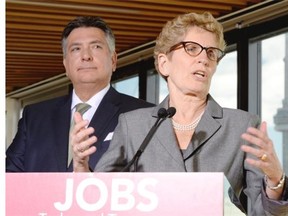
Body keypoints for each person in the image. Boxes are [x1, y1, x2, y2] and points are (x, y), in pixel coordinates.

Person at [70, 12, 288, 215]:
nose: (204, 58)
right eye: (192, 48)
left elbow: (265, 211)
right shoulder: (133, 125)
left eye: (211, 53)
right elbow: (97, 200)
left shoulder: (243, 125)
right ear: (164, 63)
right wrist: (81, 165)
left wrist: (276, 180)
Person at [5, 16, 154, 172]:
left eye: (96, 47)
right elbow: (10, 178)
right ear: (66, 65)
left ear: (113, 60)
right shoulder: (34, 116)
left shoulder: (145, 115)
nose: (86, 56)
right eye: (76, 49)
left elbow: (153, 181)